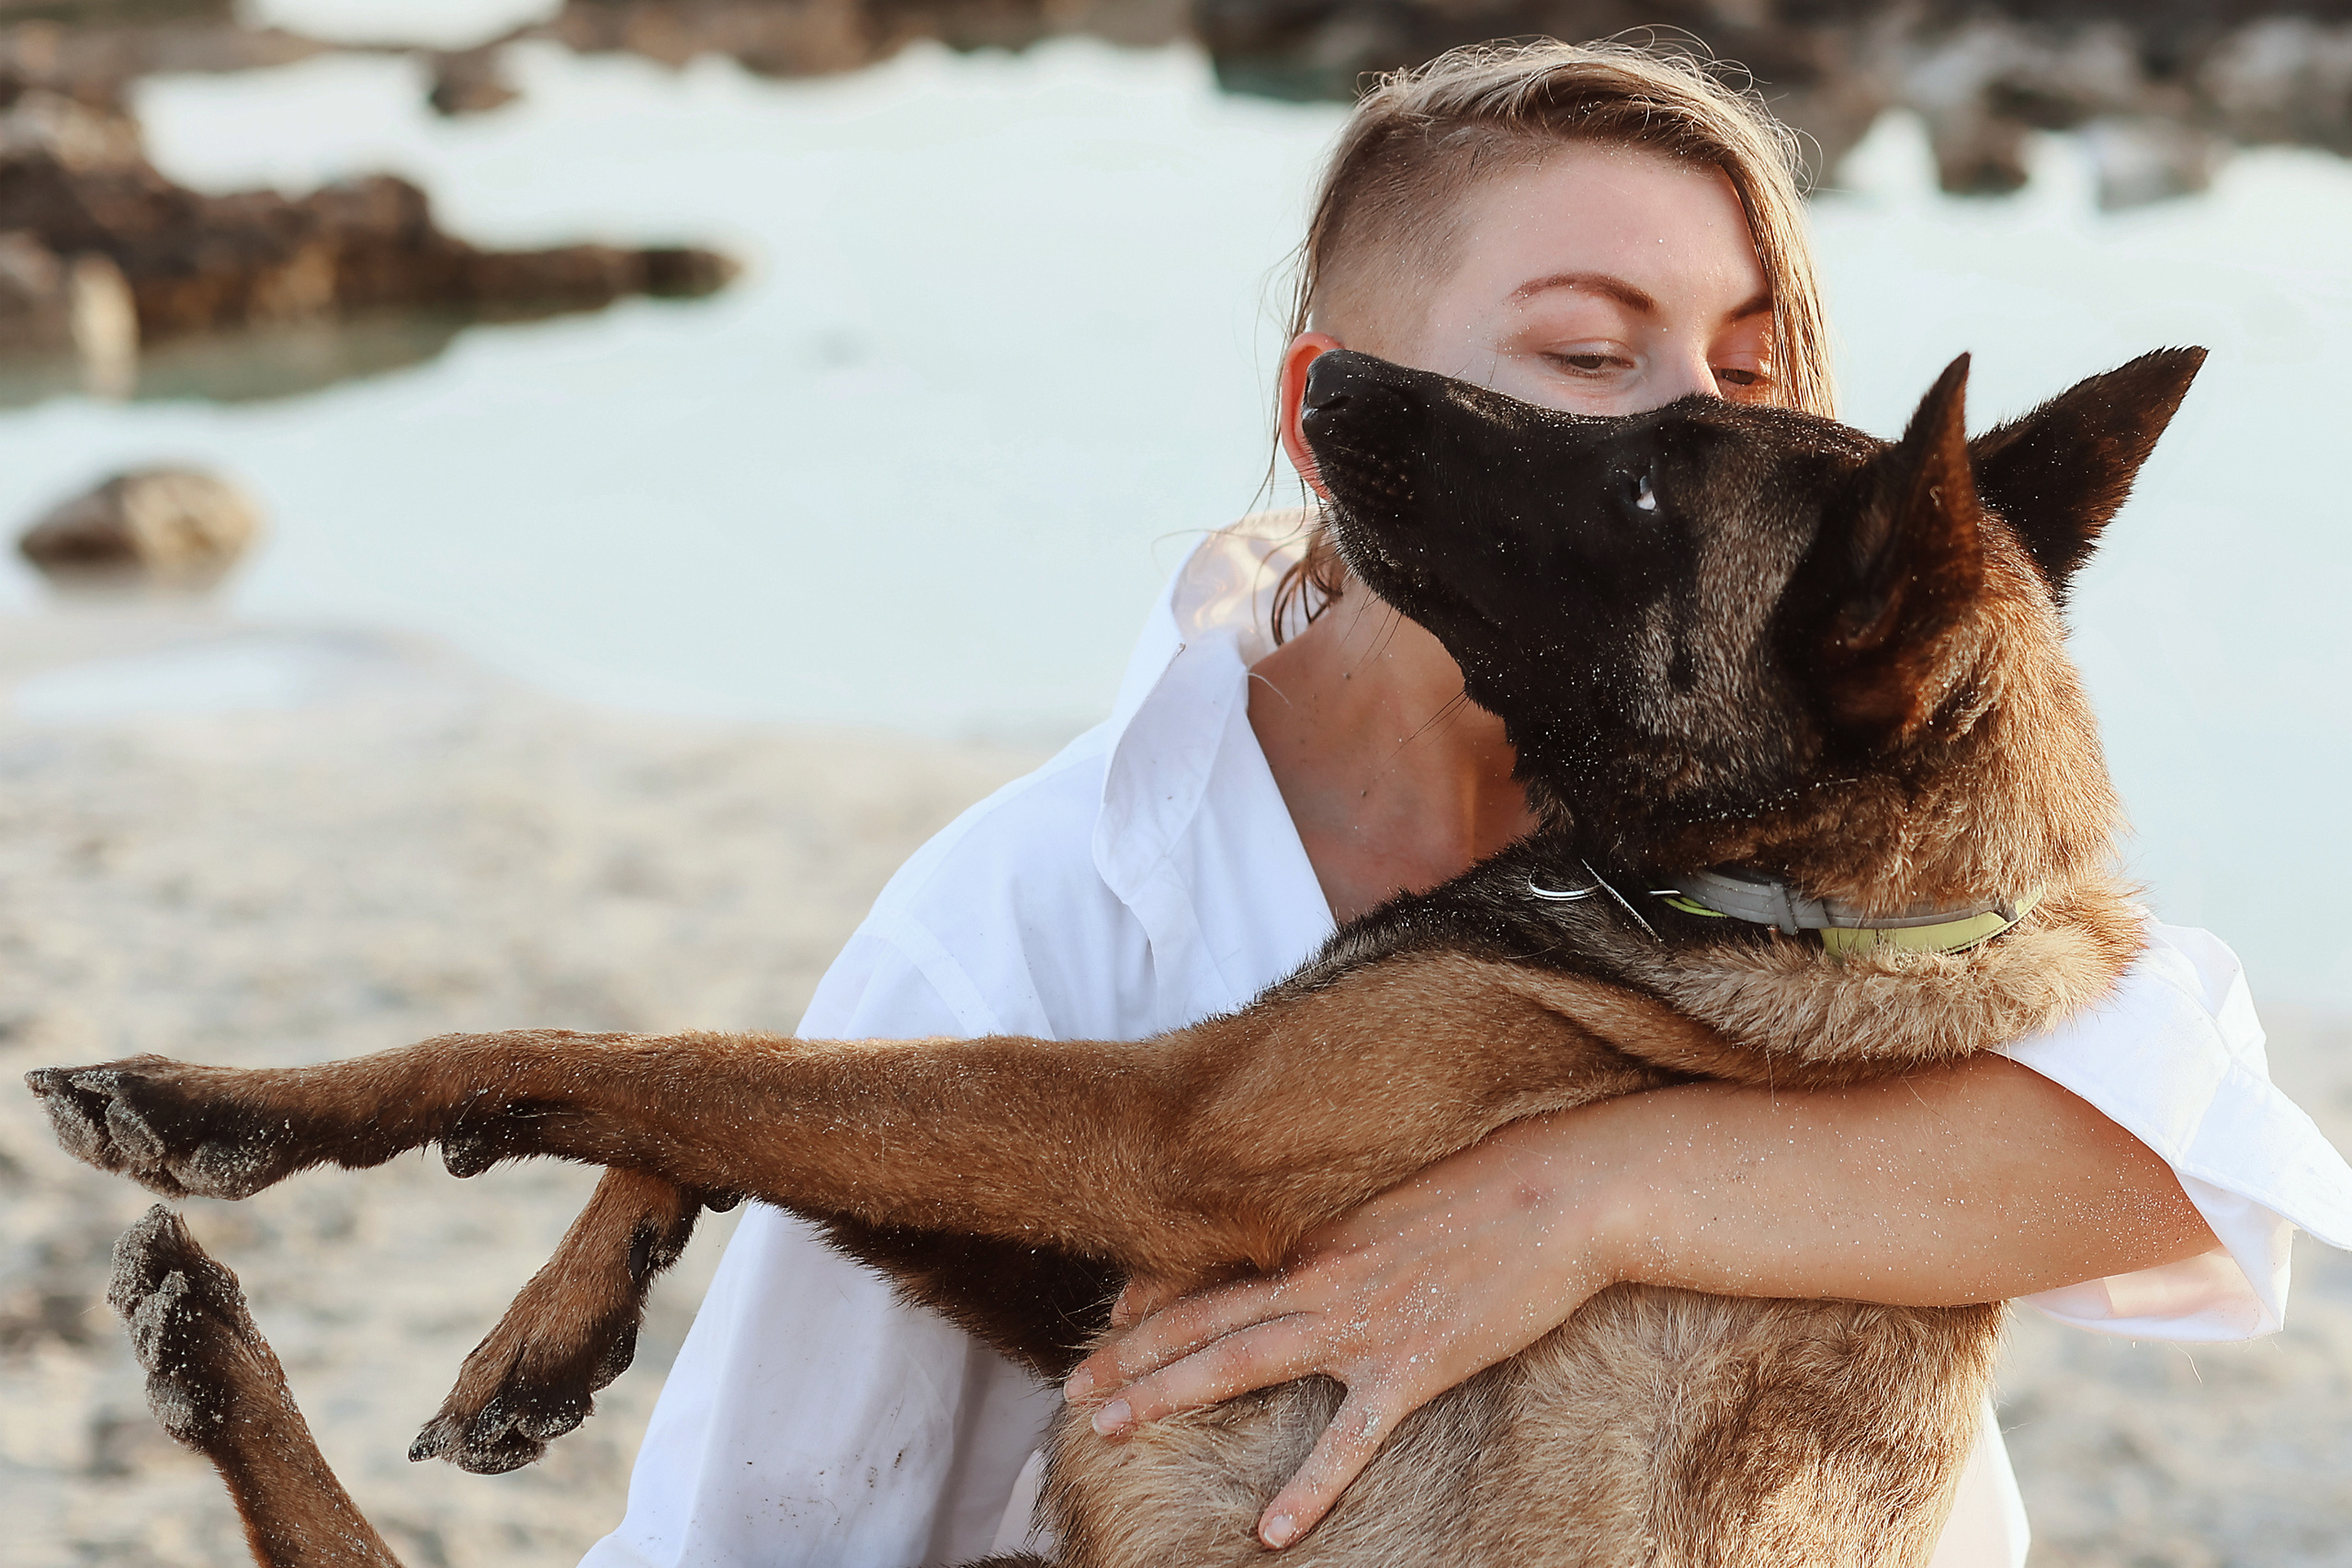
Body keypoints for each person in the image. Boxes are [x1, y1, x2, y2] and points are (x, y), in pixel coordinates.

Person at [580, 39, 2352, 1568]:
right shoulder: (1041, 909)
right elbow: (760, 1516)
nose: (1687, 430)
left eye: (1742, 374)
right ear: (1341, 417)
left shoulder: (1809, 859)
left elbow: (2196, 1171)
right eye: (1588, 357)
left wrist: (1584, 1204)